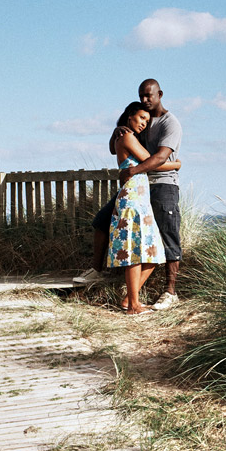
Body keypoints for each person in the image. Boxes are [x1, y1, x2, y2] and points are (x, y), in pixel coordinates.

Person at [74, 79, 183, 311]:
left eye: (148, 96)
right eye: (141, 97)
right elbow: (122, 149)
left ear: (160, 94)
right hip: (135, 192)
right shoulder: (130, 131)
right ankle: (108, 280)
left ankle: (169, 291)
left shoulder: (169, 123)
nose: (145, 100)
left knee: (162, 241)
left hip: (158, 186)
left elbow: (160, 157)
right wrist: (117, 130)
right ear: (131, 116)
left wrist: (164, 166)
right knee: (106, 224)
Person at [106, 102, 176, 314]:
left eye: (147, 121)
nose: (144, 123)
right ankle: (134, 306)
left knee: (154, 252)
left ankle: (130, 300)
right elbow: (153, 161)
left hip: (140, 201)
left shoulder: (126, 136)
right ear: (130, 117)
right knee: (135, 251)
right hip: (132, 200)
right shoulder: (126, 137)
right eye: (141, 118)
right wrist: (176, 164)